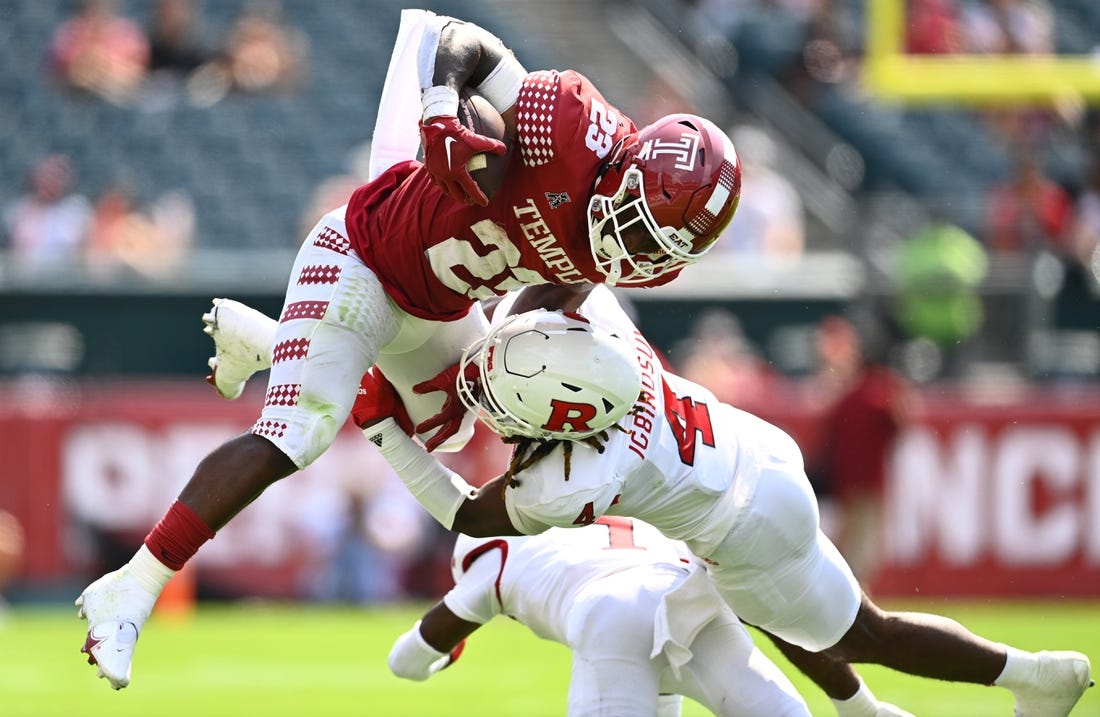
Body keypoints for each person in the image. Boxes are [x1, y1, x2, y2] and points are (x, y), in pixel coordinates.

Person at [75, 9, 742, 690]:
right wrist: (440, 108)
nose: (632, 249)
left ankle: (276, 343)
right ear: (627, 170)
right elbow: (465, 41)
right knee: (300, 432)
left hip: (439, 307)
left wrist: (522, 361)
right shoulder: (568, 126)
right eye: (635, 225)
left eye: (653, 246)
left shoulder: (638, 251)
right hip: (362, 258)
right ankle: (131, 587)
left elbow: (552, 293)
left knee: (457, 423)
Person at [351, 284, 1093, 717]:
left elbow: (464, 513)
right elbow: (566, 276)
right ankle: (864, 710)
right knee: (759, 603)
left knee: (865, 631)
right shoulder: (607, 337)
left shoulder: (574, 479)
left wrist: (384, 429)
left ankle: (1032, 677)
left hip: (742, 528)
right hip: (760, 458)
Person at [391, 516, 813, 717]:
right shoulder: (622, 499)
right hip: (691, 594)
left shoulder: (492, 553)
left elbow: (405, 662)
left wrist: (450, 651)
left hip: (609, 611)